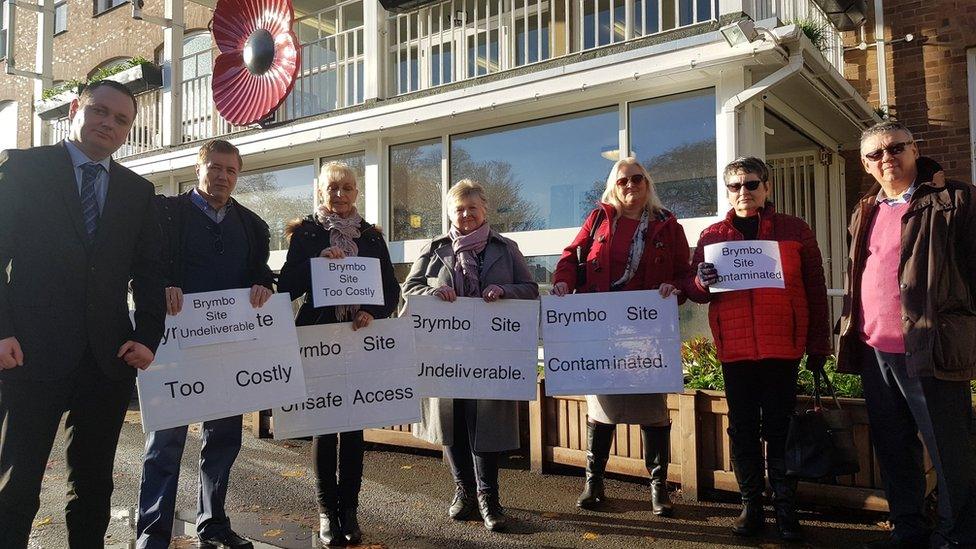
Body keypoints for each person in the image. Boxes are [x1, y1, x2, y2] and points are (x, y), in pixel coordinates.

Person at [0, 80, 166, 548]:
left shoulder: (138, 191)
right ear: (76, 109)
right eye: (99, 111)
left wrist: (149, 335)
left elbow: (151, 273)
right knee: (17, 485)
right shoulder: (24, 169)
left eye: (121, 119)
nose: (108, 124)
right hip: (28, 354)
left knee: (93, 485)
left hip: (106, 359)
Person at [835, 121, 976, 549]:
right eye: (875, 154)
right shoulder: (866, 209)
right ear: (865, 163)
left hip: (932, 348)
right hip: (875, 349)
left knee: (950, 451)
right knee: (895, 448)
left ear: (914, 150)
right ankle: (908, 526)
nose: (886, 159)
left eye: (896, 148)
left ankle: (958, 535)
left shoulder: (954, 198)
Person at [135, 139, 275, 549]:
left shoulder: (252, 225)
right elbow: (142, 268)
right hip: (173, 348)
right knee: (165, 442)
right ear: (199, 168)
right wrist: (162, 284)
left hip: (227, 352)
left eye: (231, 171)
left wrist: (263, 285)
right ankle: (152, 532)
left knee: (223, 440)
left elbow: (260, 271)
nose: (222, 177)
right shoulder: (166, 213)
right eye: (215, 167)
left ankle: (212, 524)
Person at [687, 156, 831, 541]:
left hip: (782, 348)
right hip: (735, 350)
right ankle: (751, 505)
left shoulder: (795, 230)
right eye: (734, 186)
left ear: (767, 188)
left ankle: (786, 509)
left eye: (751, 184)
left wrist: (819, 344)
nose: (743, 192)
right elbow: (697, 293)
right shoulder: (712, 235)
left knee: (781, 430)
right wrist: (701, 280)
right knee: (744, 430)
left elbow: (816, 290)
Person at [550, 157, 691, 517]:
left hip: (647, 332)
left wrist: (672, 287)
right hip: (603, 330)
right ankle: (593, 483)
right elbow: (570, 256)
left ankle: (658, 488)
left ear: (648, 183)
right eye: (623, 180)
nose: (631, 185)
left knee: (653, 410)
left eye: (637, 179)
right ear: (614, 185)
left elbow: (683, 275)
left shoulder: (668, 226)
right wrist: (564, 280)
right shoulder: (597, 219)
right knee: (601, 408)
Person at [403, 179, 538, 532]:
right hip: (444, 355)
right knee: (453, 424)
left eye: (471, 208)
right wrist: (436, 288)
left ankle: (489, 498)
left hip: (491, 355)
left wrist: (504, 289)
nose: (465, 214)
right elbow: (410, 289)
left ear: (484, 210)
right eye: (458, 209)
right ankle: (463, 491)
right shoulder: (433, 249)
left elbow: (530, 290)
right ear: (450, 212)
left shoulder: (506, 249)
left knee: (486, 426)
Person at [277, 161, 400, 546]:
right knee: (324, 428)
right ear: (321, 193)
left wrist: (372, 311)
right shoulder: (307, 233)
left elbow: (390, 290)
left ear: (356, 192)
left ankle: (350, 510)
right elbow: (287, 288)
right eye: (333, 189)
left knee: (353, 430)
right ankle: (327, 512)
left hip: (359, 340)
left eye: (347, 188)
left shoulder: (373, 238)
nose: (340, 195)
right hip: (318, 340)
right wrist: (318, 266)